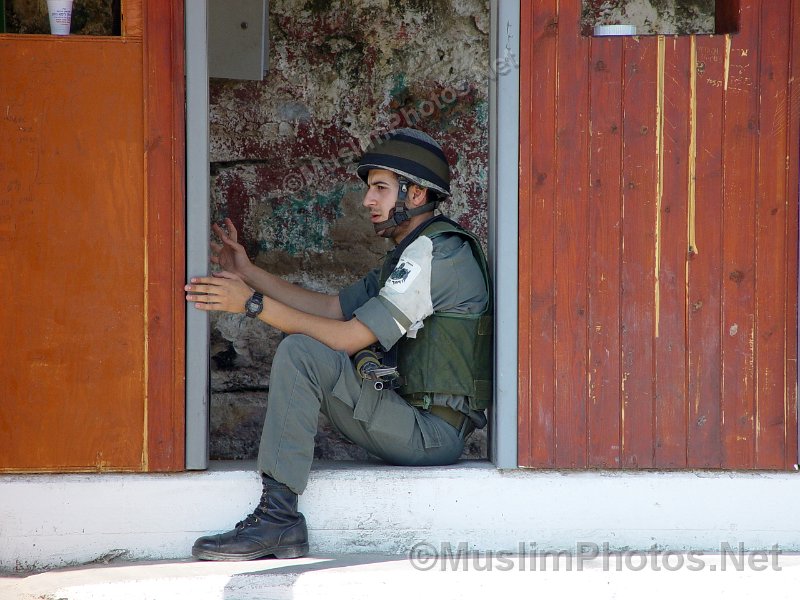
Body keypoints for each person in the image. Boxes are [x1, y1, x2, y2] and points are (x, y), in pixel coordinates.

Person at [184, 128, 492, 561]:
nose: (368, 201)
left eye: (381, 189)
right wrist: (249, 273)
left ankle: (278, 520)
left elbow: (347, 338)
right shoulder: (409, 254)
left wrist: (252, 305)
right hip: (411, 420)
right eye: (371, 190)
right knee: (303, 344)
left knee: (301, 351)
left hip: (432, 434)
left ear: (417, 194)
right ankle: (279, 521)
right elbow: (333, 308)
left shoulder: (434, 256)